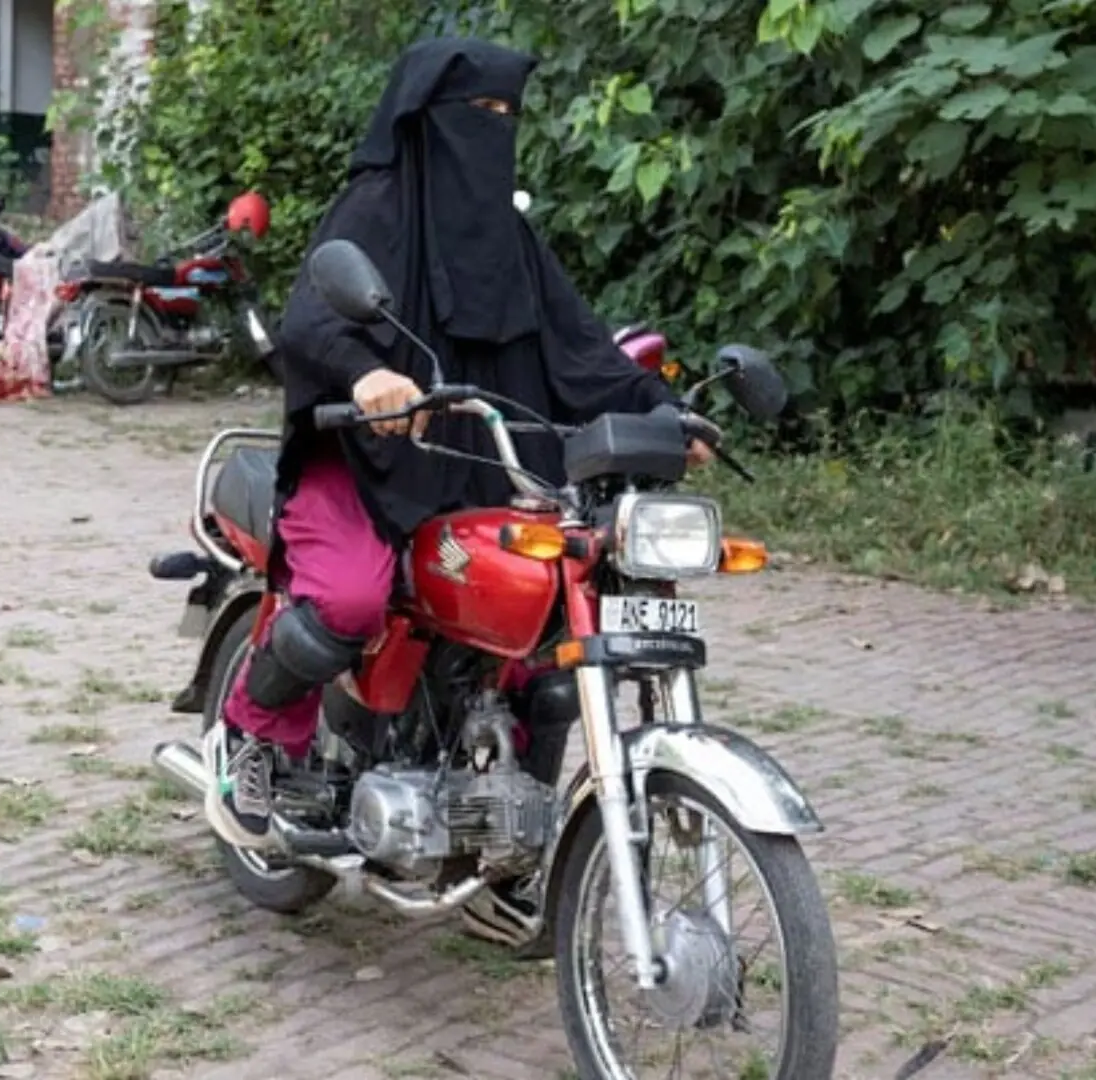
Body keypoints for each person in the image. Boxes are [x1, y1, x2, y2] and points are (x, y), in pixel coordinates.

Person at [202, 37, 714, 953]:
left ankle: (500, 849)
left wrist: (666, 413)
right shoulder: (377, 207)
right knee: (352, 596)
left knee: (549, 631)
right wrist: (365, 380)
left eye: (506, 120)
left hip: (478, 466)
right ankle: (255, 739)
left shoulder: (510, 241)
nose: (494, 135)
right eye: (478, 116)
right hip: (363, 461)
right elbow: (312, 321)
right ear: (426, 119)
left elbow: (581, 349)